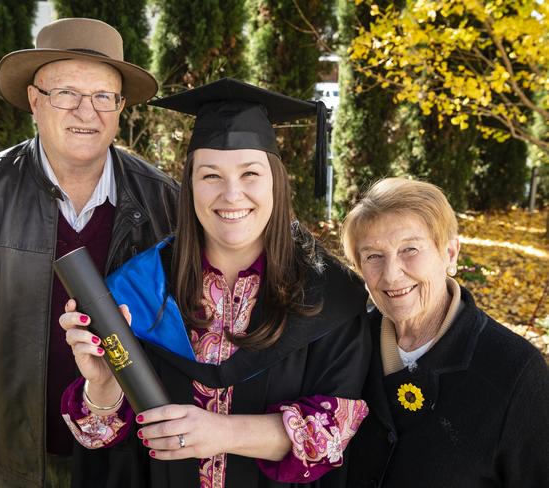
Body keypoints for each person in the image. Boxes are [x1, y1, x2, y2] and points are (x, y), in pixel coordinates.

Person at [59, 78, 371, 488]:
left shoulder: (329, 294)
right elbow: (99, 440)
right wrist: (101, 385)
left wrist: (220, 432)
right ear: (189, 186)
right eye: (210, 176)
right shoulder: (138, 289)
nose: (231, 193)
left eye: (250, 173)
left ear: (277, 181)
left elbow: (334, 431)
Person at [0, 18, 179, 487]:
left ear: (120, 108)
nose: (86, 111)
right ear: (35, 101)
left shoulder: (163, 200)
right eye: (66, 93)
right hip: (12, 454)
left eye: (102, 97)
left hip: (128, 458)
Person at [340, 177, 549, 487]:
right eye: (373, 256)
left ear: (450, 253)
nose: (392, 274)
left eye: (409, 249)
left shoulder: (517, 373)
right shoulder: (345, 348)